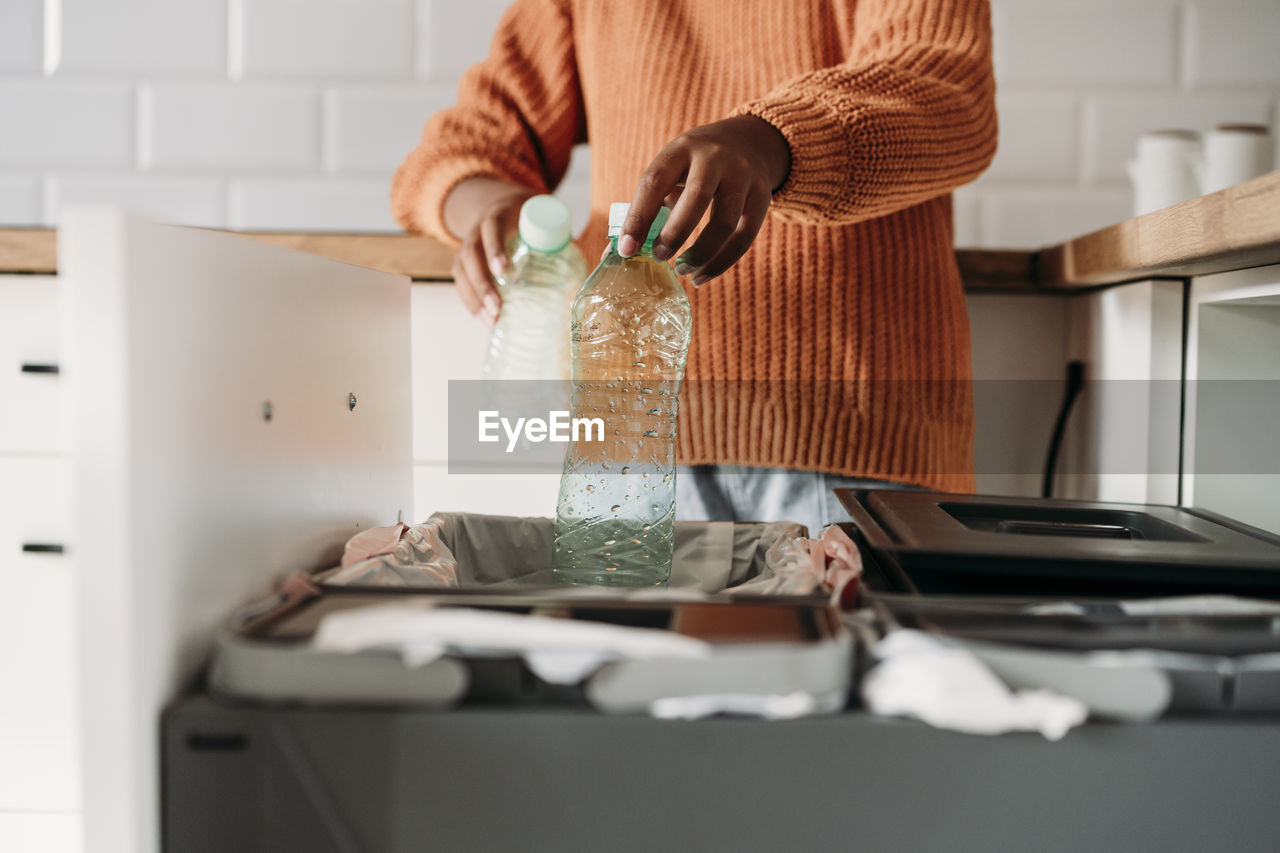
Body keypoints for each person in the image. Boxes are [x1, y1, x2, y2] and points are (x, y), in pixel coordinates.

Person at [392, 0, 997, 533]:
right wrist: (491, 207)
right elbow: (463, 146)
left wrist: (769, 142)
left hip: (858, 445)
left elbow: (949, 93)